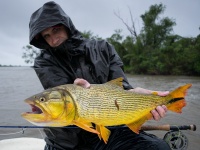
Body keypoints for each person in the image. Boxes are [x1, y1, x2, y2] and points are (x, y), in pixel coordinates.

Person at [29, 1, 170, 150]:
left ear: (66, 25)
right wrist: (74, 87)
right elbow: (59, 98)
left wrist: (136, 96)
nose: (53, 39)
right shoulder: (43, 61)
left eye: (56, 30)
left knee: (159, 147)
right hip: (67, 139)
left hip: (112, 130)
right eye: (47, 36)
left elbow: (123, 88)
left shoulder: (104, 48)